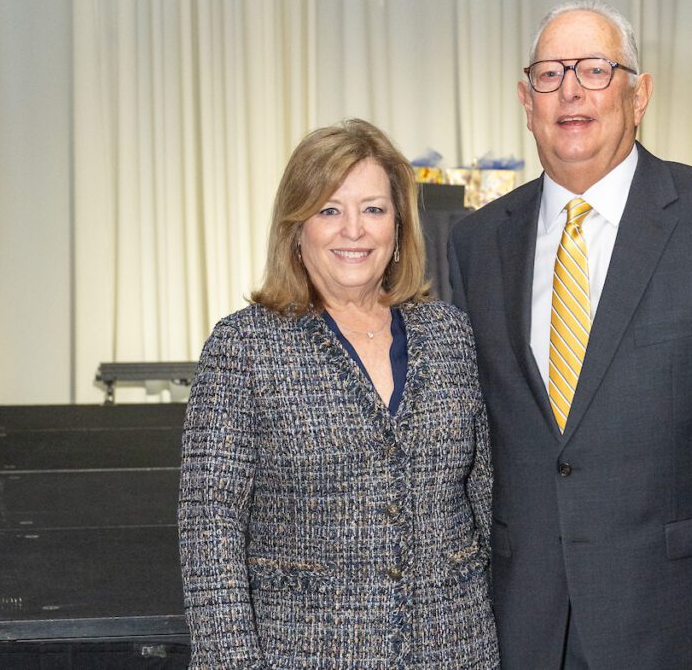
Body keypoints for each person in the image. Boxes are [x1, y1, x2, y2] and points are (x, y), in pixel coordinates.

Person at [449, 0, 692, 670]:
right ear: (526, 101)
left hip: (683, 627)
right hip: (519, 628)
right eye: (549, 74)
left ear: (639, 94)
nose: (570, 90)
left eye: (595, 69)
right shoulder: (474, 245)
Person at [178, 119, 498, 668]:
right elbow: (210, 531)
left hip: (455, 649)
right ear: (296, 229)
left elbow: (486, 498)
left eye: (373, 209)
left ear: (398, 227)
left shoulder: (451, 335)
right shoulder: (244, 346)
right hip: (304, 652)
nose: (354, 230)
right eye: (329, 210)